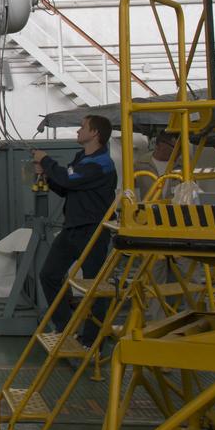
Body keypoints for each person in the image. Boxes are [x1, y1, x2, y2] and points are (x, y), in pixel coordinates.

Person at [33, 115, 117, 347]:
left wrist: (47, 160)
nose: (78, 131)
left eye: (82, 127)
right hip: (72, 228)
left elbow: (70, 180)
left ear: (95, 134)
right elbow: (66, 188)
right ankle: (65, 326)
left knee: (94, 288)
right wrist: (48, 175)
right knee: (49, 275)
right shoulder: (82, 159)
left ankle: (92, 341)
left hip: (93, 232)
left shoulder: (101, 163)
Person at [133, 132, 178, 201]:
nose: (176, 151)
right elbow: (127, 191)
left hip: (175, 211)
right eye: (173, 146)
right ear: (159, 145)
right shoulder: (140, 164)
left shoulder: (181, 166)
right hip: (148, 210)